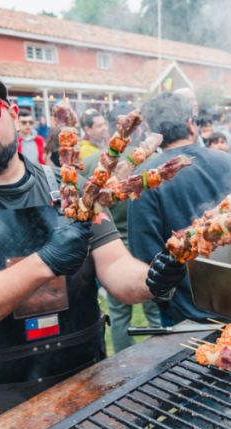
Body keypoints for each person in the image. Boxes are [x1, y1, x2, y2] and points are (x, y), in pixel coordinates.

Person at [0, 59, 186, 424]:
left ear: (12, 114)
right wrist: (44, 261)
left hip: (83, 384)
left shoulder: (73, 188)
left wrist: (152, 278)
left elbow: (116, 265)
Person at [128, 92, 231, 325]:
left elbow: (145, 256)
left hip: (184, 315)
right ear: (191, 125)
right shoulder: (230, 161)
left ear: (151, 131)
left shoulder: (143, 182)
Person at [79, 104, 163, 353]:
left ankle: (125, 367)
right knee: (154, 305)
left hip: (110, 246)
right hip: (144, 244)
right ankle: (161, 357)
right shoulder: (158, 161)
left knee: (119, 314)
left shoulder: (92, 162)